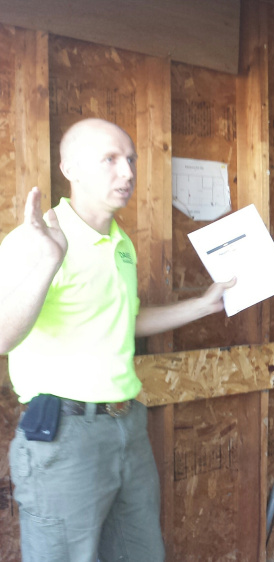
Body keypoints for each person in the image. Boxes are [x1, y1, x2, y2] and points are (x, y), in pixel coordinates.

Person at [0, 118, 236, 561]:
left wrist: (203, 306)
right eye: (109, 159)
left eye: (130, 159)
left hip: (127, 425)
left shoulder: (121, 243)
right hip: (65, 436)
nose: (127, 172)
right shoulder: (37, 240)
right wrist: (49, 261)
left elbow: (123, 319)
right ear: (69, 168)